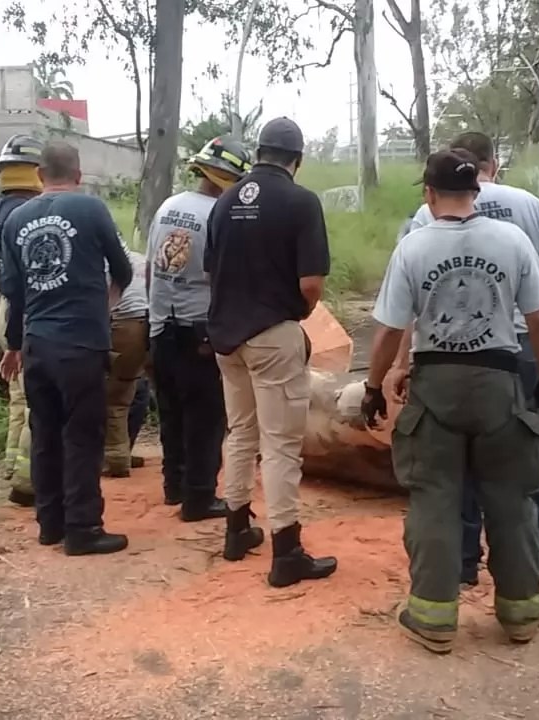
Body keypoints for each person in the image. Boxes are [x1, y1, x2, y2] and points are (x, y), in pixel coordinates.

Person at [360, 149, 539, 653]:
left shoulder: (413, 247)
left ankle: (433, 618)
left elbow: (389, 329)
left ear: (428, 195)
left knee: (435, 498)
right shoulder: (513, 239)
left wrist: (374, 385)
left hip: (437, 388)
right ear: (476, 191)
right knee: (511, 498)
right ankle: (520, 613)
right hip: (500, 386)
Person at [393, 131, 539, 596]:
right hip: (520, 349)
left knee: (450, 463)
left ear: (434, 185)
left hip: (446, 354)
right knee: (533, 461)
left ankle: (460, 566)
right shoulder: (526, 207)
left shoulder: (425, 217)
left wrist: (399, 365)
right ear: (491, 166)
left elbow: (407, 306)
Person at [205, 117, 338, 587]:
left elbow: (210, 272)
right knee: (281, 444)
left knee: (241, 432)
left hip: (226, 336)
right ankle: (286, 551)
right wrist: (297, 314)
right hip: (272, 334)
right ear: (296, 161)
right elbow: (311, 284)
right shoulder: (301, 202)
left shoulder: (222, 205)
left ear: (259, 153)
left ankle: (237, 530)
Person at [0, 141, 133, 556]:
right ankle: (83, 528)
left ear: (40, 175)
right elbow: (123, 269)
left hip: (37, 345)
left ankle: (50, 523)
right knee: (81, 436)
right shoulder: (91, 210)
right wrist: (103, 304)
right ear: (78, 175)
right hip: (81, 344)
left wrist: (13, 347)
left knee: (44, 435)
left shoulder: (15, 220)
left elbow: (15, 294)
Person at [146, 136, 253, 520]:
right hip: (200, 331)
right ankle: (200, 497)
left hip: (162, 325)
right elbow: (224, 278)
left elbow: (149, 270)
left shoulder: (168, 207)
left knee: (171, 411)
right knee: (206, 418)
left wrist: (153, 319)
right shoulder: (222, 216)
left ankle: (173, 485)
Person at [0, 133, 45, 507]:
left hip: (6, 309)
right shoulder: (32, 215)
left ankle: (12, 466)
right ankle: (27, 482)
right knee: (39, 399)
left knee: (19, 396)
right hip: (30, 314)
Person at [102, 238, 149, 478]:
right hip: (152, 325)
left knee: (113, 396)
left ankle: (115, 459)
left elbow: (103, 302)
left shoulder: (104, 264)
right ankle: (122, 452)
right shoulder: (140, 259)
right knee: (132, 389)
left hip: (125, 325)